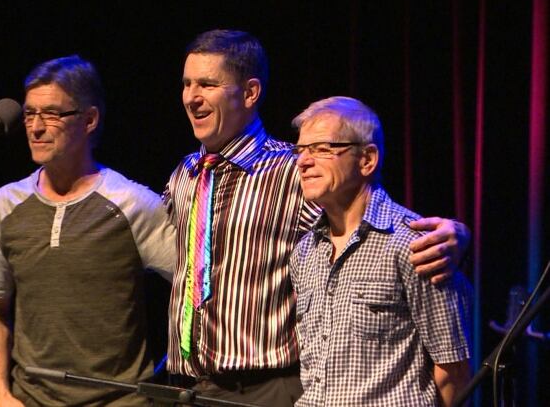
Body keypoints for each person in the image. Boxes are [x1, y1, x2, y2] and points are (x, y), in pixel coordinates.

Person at [163, 29, 469, 406]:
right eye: (187, 83)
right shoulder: (185, 174)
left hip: (265, 386)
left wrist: (457, 233)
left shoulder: (290, 168)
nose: (192, 96)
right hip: (192, 385)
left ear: (250, 93)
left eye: (207, 84)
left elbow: (371, 218)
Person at [0, 55, 175, 406]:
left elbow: (198, 292)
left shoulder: (132, 203)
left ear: (90, 120)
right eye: (29, 114)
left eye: (51, 114)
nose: (35, 127)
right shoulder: (5, 205)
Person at [288, 96, 471, 406]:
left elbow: (452, 370)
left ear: (367, 160)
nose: (304, 161)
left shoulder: (418, 245)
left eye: (321, 149)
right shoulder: (304, 253)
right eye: (301, 150)